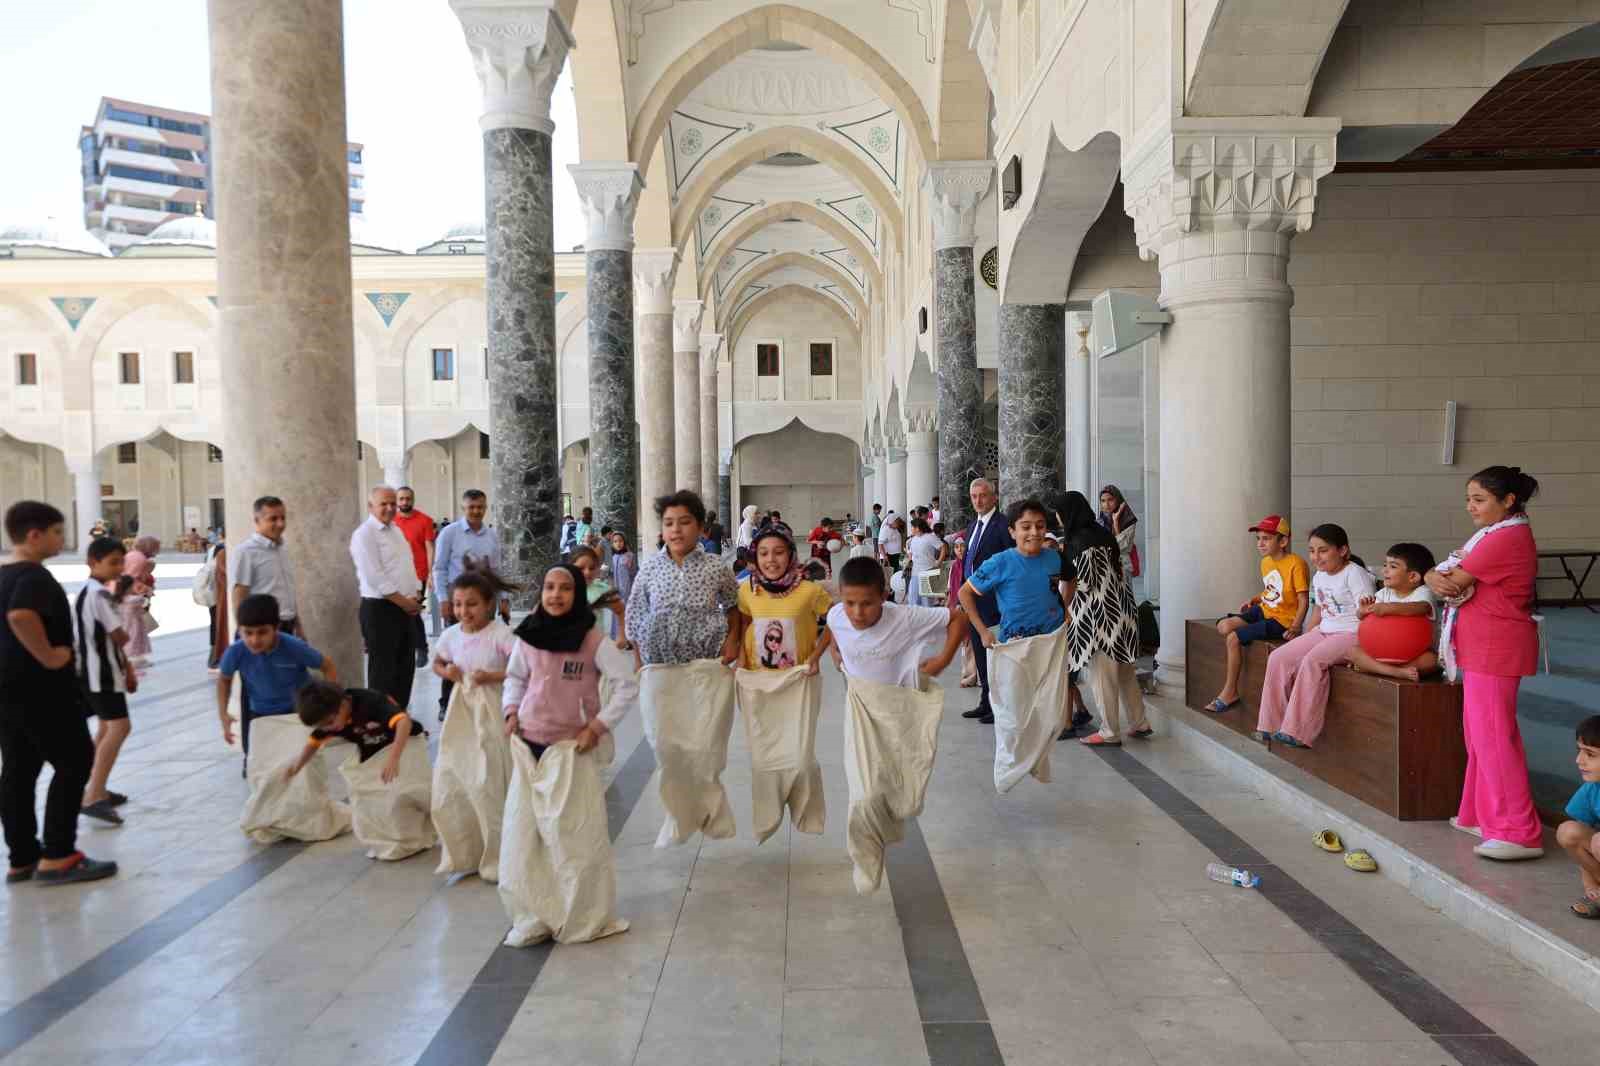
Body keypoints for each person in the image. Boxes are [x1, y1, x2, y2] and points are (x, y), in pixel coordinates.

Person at [1426, 465, 1544, 861]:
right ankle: (1480, 813)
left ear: (1508, 502)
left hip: (1497, 646)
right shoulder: (1491, 535)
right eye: (1468, 499)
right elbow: (1442, 573)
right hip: (1481, 645)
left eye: (1479, 500)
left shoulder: (1506, 538)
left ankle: (1518, 831)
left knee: (1495, 737)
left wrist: (1438, 575)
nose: (1471, 508)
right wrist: (1433, 573)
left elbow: (1452, 580)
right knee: (1479, 736)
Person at [0, 502, 114, 885]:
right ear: (35, 535)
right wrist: (50, 656)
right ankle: (58, 854)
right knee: (75, 761)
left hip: (8, 691)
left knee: (19, 770)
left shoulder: (3, 575)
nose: (62, 540)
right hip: (41, 691)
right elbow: (20, 616)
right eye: (57, 532)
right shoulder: (34, 577)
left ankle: (22, 858)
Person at [1256, 524, 1377, 750]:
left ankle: (1298, 732)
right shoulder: (1320, 576)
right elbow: (1319, 612)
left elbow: (1368, 615)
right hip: (1324, 631)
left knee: (1313, 661)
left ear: (1342, 550)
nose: (1316, 557)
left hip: (1352, 634)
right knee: (1279, 657)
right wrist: (1304, 636)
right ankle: (1271, 724)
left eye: (1323, 550)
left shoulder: (1355, 574)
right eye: (1312, 551)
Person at [1047, 491, 1146, 746]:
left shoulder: (1077, 541)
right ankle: (1139, 722)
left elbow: (1084, 582)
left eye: (1059, 512)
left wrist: (1062, 594)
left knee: (1101, 675)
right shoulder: (1103, 534)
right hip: (1121, 612)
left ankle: (1110, 731)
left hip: (1097, 619)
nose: (1057, 517)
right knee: (1124, 672)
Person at [625, 490, 741, 668]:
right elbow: (635, 615)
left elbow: (733, 605)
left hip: (708, 664)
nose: (676, 529)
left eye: (685, 522)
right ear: (662, 531)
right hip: (659, 667)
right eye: (668, 523)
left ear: (701, 527)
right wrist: (637, 660)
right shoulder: (649, 568)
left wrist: (733, 640)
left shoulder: (716, 566)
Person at [1207, 515, 1310, 713]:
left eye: (1266, 539)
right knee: (1223, 626)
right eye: (1258, 539)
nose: (1260, 544)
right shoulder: (1266, 562)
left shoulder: (1296, 563)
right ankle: (1248, 629)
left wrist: (1295, 627)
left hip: (1282, 620)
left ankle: (1229, 692)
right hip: (1265, 609)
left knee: (1233, 638)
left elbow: (1303, 600)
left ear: (1283, 541)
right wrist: (1257, 599)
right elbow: (1272, 590)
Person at [218, 594, 337, 762]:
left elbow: (328, 666)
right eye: (248, 633)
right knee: (263, 764)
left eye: (262, 632)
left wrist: (330, 707)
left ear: (276, 628)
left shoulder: (294, 647)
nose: (254, 640)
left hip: (298, 713)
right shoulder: (236, 652)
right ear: (239, 630)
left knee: (302, 765)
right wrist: (223, 714)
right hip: (260, 714)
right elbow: (224, 679)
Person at [74, 537, 138, 825]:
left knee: (105, 729)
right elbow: (119, 635)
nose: (118, 567)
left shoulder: (89, 593)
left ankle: (92, 787)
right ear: (93, 563)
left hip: (92, 673)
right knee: (119, 727)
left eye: (120, 561)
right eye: (113, 562)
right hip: (101, 673)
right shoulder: (99, 596)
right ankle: (94, 795)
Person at [826, 556, 967, 686]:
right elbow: (833, 625)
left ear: (883, 597)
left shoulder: (904, 618)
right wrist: (833, 649)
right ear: (841, 595)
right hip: (858, 704)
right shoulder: (836, 614)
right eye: (850, 603)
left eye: (867, 604)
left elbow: (959, 618)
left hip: (898, 703)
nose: (858, 613)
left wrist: (943, 660)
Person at [350, 485, 423, 708]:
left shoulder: (395, 530)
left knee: (405, 666)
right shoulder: (364, 535)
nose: (390, 508)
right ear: (371, 506)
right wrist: (406, 603)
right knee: (383, 671)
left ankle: (399, 717)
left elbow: (405, 565)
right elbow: (376, 577)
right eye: (384, 504)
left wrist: (416, 593)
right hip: (381, 609)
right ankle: (379, 722)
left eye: (393, 503)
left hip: (404, 608)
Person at [958, 499, 1064, 648]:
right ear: (1012, 532)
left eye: (1040, 526)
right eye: (1026, 527)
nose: (1034, 532)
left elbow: (1070, 580)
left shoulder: (1055, 557)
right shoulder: (999, 562)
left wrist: (1065, 609)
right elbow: (964, 593)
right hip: (1014, 646)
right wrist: (982, 631)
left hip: (1054, 643)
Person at [288, 681, 422, 783]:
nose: (328, 729)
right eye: (322, 727)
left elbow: (404, 722)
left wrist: (394, 758)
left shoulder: (370, 702)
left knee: (410, 786)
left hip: (404, 744)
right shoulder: (328, 719)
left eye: (329, 723)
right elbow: (313, 743)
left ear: (342, 705)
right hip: (374, 751)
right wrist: (297, 767)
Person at [433, 564, 521, 720]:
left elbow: (522, 669)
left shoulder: (502, 634)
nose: (464, 611)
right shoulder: (450, 635)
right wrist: (447, 672)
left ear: (488, 604)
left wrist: (491, 676)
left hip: (497, 706)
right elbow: (437, 663)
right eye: (458, 604)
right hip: (464, 707)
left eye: (472, 604)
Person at [738, 527, 831, 673]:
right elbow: (744, 623)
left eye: (779, 552)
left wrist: (815, 656)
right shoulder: (747, 589)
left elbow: (837, 621)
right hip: (756, 678)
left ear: (790, 554)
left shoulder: (811, 591)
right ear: (755, 557)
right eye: (763, 553)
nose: (771, 559)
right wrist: (741, 657)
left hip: (798, 678)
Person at [960, 478, 1014, 725]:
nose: (978, 500)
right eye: (974, 496)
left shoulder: (1003, 525)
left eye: (983, 495)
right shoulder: (973, 526)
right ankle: (985, 701)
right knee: (980, 654)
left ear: (994, 497)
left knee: (994, 655)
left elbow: (1012, 561)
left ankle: (997, 705)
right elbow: (969, 563)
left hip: (993, 601)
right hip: (973, 602)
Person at [1346, 543, 1440, 681]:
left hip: (1417, 654)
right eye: (1385, 565)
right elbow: (1366, 619)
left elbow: (1422, 607)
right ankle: (1395, 672)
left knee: (1433, 660)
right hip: (1383, 653)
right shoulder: (1384, 593)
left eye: (1393, 566)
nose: (1385, 571)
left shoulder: (1423, 592)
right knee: (1353, 652)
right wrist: (1362, 612)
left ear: (1413, 577)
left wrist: (1389, 608)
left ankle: (1379, 669)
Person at [435, 490, 511, 627]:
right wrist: (443, 599)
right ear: (463, 508)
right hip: (458, 600)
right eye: (471, 507)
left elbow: (497, 570)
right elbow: (440, 569)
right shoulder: (449, 533)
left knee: (484, 643)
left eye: (480, 507)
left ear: (486, 508)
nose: (476, 511)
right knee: (457, 643)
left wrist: (504, 599)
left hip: (486, 599)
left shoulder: (492, 536)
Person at [230, 496, 301, 638]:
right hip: (262, 631)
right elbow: (239, 595)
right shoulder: (246, 552)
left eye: (283, 518)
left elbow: (287, 592)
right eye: (273, 519)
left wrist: (298, 626)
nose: (280, 524)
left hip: (288, 627)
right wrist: (245, 634)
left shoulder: (283, 549)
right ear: (257, 521)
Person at [1556, 716, 1600, 919]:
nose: (1579, 760)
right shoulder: (1591, 789)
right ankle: (1597, 895)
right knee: (1568, 831)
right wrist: (1589, 885)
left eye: (1590, 754)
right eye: (1579, 751)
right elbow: (1580, 832)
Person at [393, 487, 437, 669]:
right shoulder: (391, 521)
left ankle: (421, 648)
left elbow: (429, 548)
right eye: (401, 499)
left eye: (408, 499)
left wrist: (431, 574)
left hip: (418, 575)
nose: (405, 502)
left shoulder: (424, 520)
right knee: (398, 613)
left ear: (413, 499)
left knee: (413, 612)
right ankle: (405, 647)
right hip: (396, 575)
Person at [568, 546, 630, 649]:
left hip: (595, 650)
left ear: (598, 568)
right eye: (580, 568)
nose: (587, 572)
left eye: (592, 568)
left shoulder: (601, 590)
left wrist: (622, 635)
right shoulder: (563, 588)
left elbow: (621, 610)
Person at [120, 535, 159, 666]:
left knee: (136, 628)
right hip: (132, 599)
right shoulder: (139, 558)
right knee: (134, 629)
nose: (157, 552)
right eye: (156, 548)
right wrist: (145, 589)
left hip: (129, 598)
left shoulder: (133, 555)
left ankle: (137, 657)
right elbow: (131, 579)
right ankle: (133, 658)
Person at [1098, 485, 1139, 583]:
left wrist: (1115, 522)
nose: (1106, 504)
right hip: (1104, 570)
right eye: (1103, 501)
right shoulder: (1099, 522)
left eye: (1110, 500)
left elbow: (1120, 546)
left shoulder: (1128, 521)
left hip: (1123, 568)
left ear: (1118, 500)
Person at [904, 517, 946, 607]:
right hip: (915, 571)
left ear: (918, 528)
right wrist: (910, 561)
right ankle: (915, 616)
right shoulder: (914, 539)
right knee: (913, 596)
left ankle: (928, 617)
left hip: (927, 570)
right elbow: (911, 552)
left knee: (926, 598)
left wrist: (939, 561)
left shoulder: (930, 537)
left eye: (912, 527)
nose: (911, 529)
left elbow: (943, 547)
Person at [608, 531, 638, 639]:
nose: (618, 543)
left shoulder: (630, 556)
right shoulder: (613, 557)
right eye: (615, 541)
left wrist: (634, 591)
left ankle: (629, 638)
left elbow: (634, 573)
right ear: (612, 544)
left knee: (628, 614)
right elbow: (611, 575)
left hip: (628, 591)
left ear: (624, 542)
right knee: (618, 612)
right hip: (617, 591)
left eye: (620, 541)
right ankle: (618, 635)